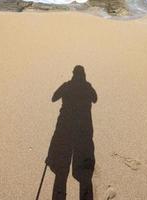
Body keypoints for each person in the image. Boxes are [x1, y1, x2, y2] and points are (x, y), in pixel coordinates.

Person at [46, 65, 97, 200]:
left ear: (73, 74)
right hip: (83, 134)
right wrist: (86, 86)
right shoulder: (87, 88)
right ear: (83, 74)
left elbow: (54, 97)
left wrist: (67, 88)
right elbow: (95, 98)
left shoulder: (67, 86)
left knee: (61, 171)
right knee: (84, 172)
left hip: (65, 132)